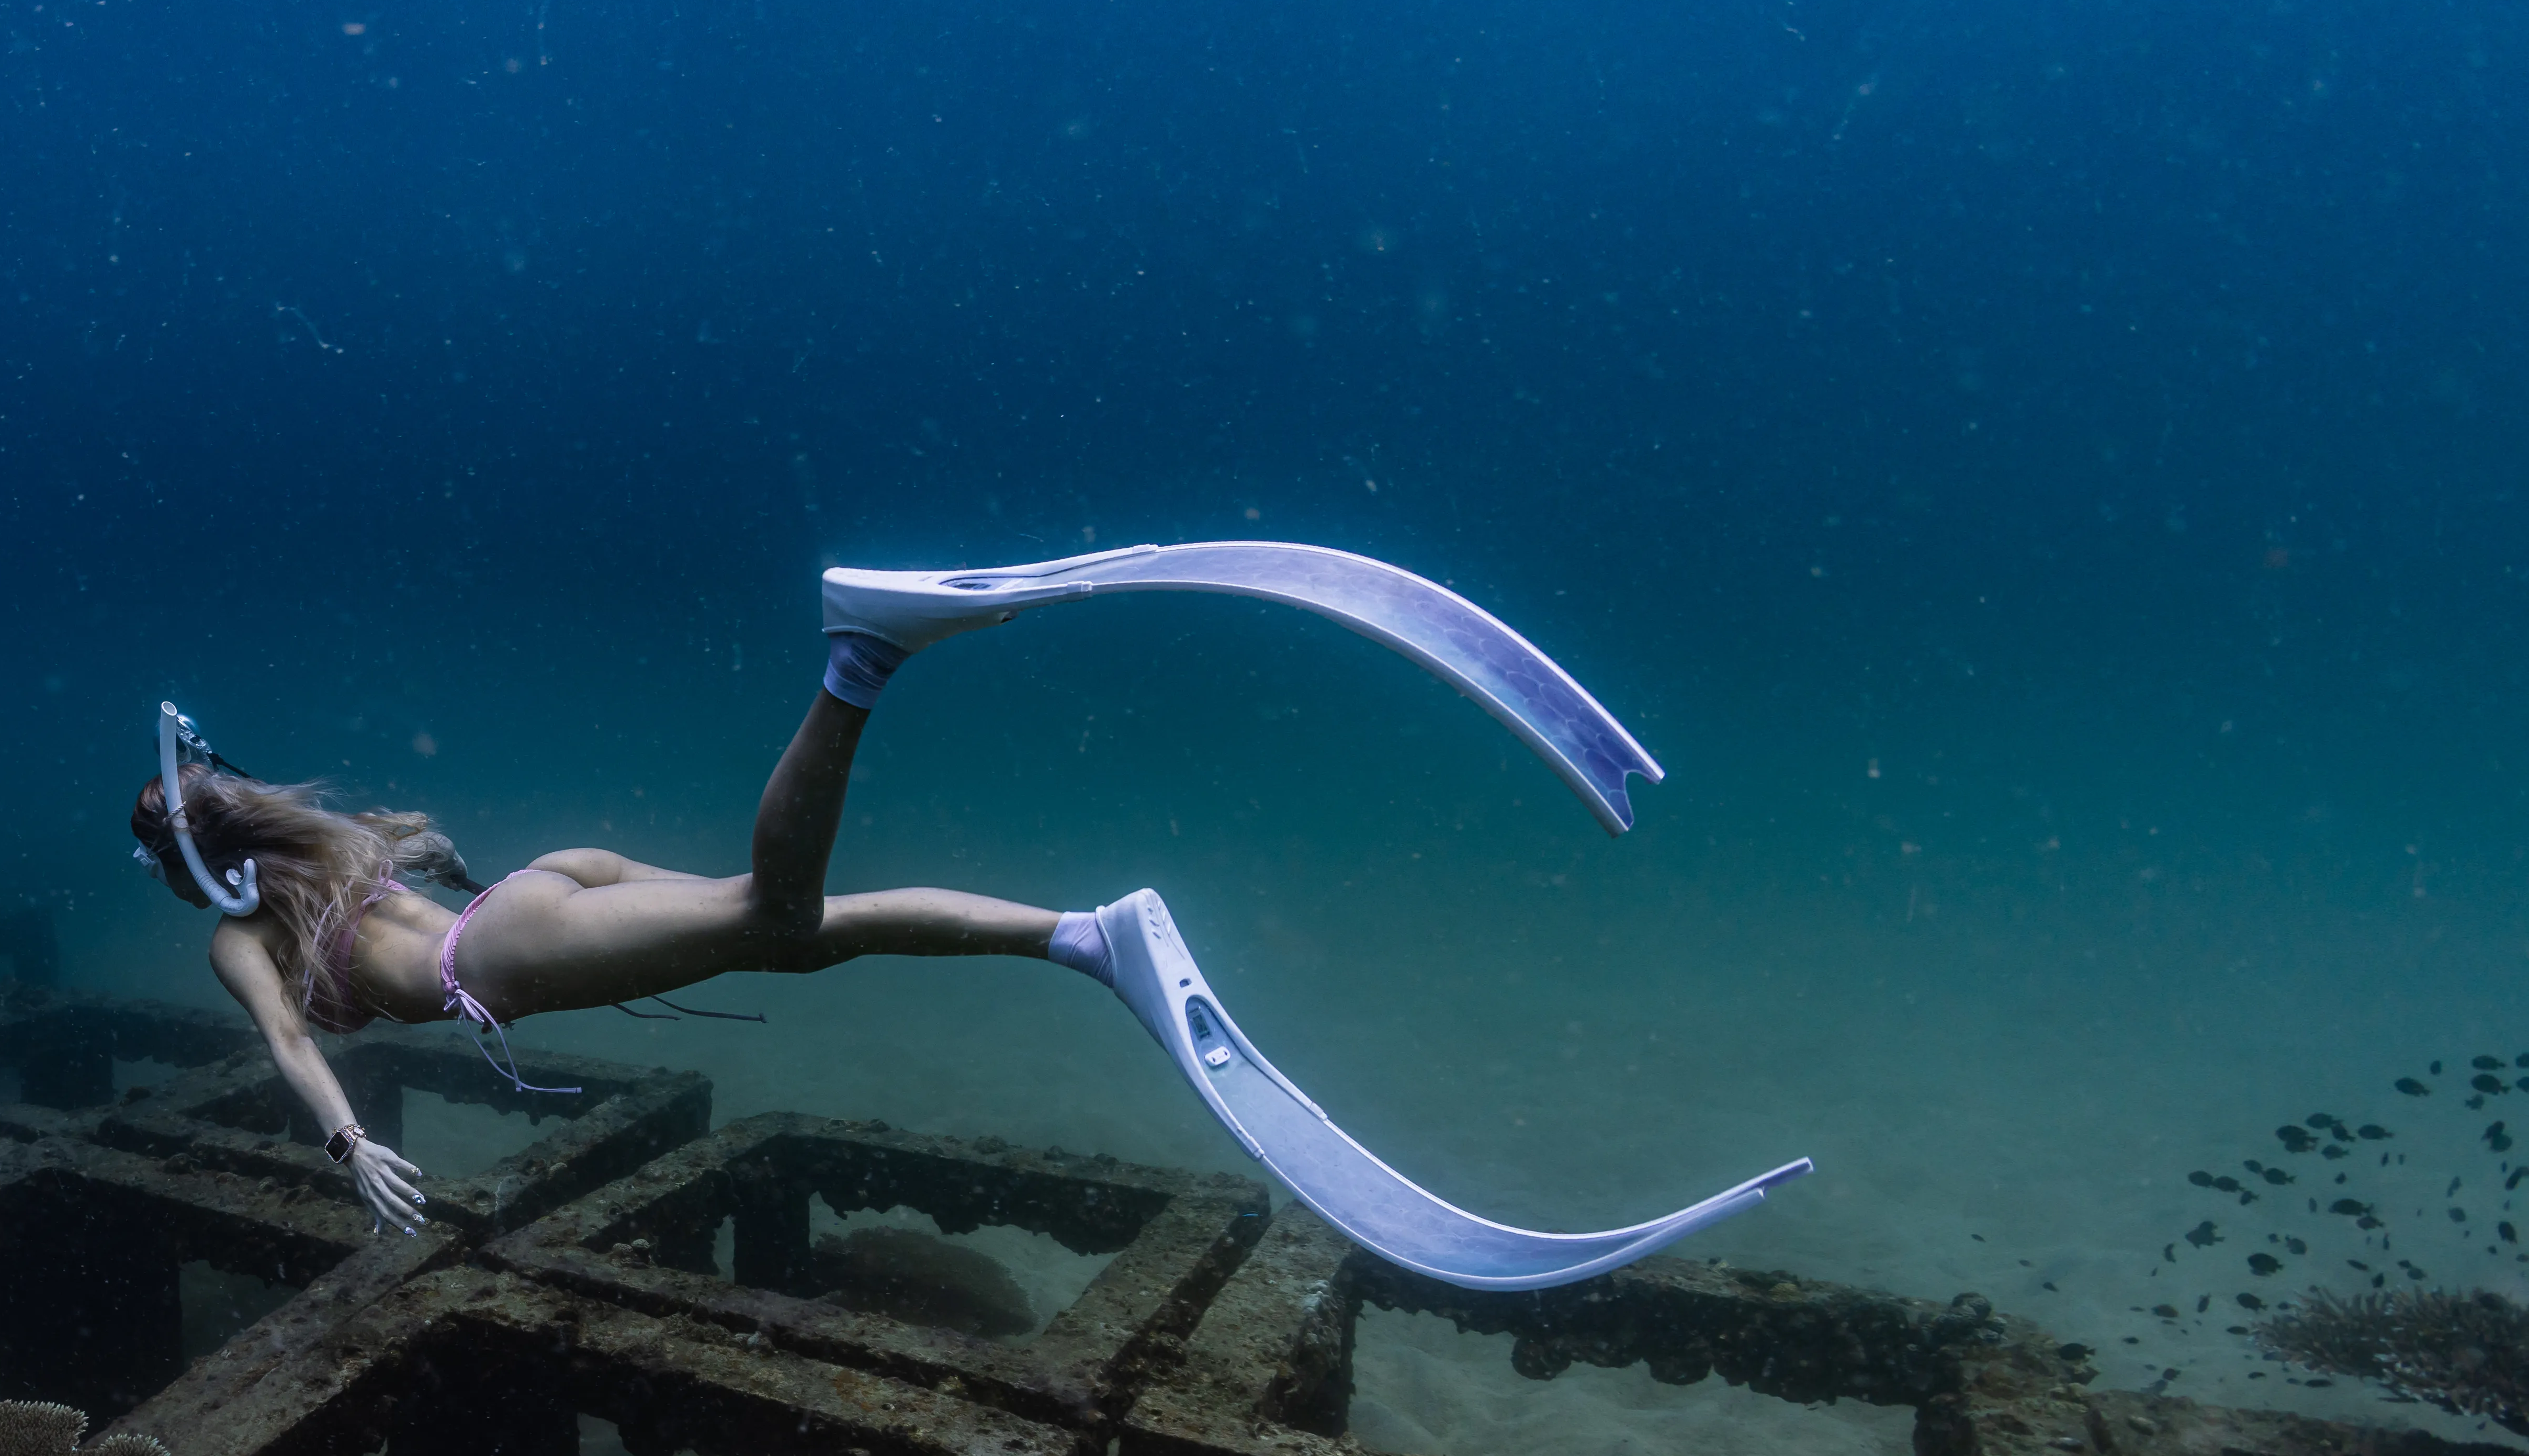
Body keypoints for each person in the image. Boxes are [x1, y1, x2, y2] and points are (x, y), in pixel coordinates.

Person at [136, 547, 1811, 1290]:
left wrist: (347, 1141)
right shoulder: (316, 857)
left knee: (775, 909)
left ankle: (859, 655)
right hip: (532, 894)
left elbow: (292, 1035)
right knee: (815, 927)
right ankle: (1088, 939)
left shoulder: (240, 930)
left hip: (497, 958)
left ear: (185, 870)